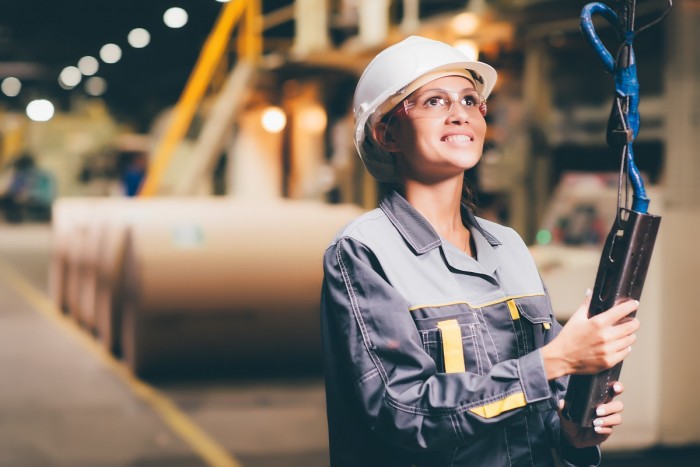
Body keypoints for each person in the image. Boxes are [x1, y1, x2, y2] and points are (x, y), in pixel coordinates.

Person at [320, 36, 640, 467]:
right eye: (434, 101)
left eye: (471, 100)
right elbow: (403, 413)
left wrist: (573, 428)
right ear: (386, 133)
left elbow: (543, 402)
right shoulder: (363, 252)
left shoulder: (507, 245)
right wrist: (553, 361)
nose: (460, 114)